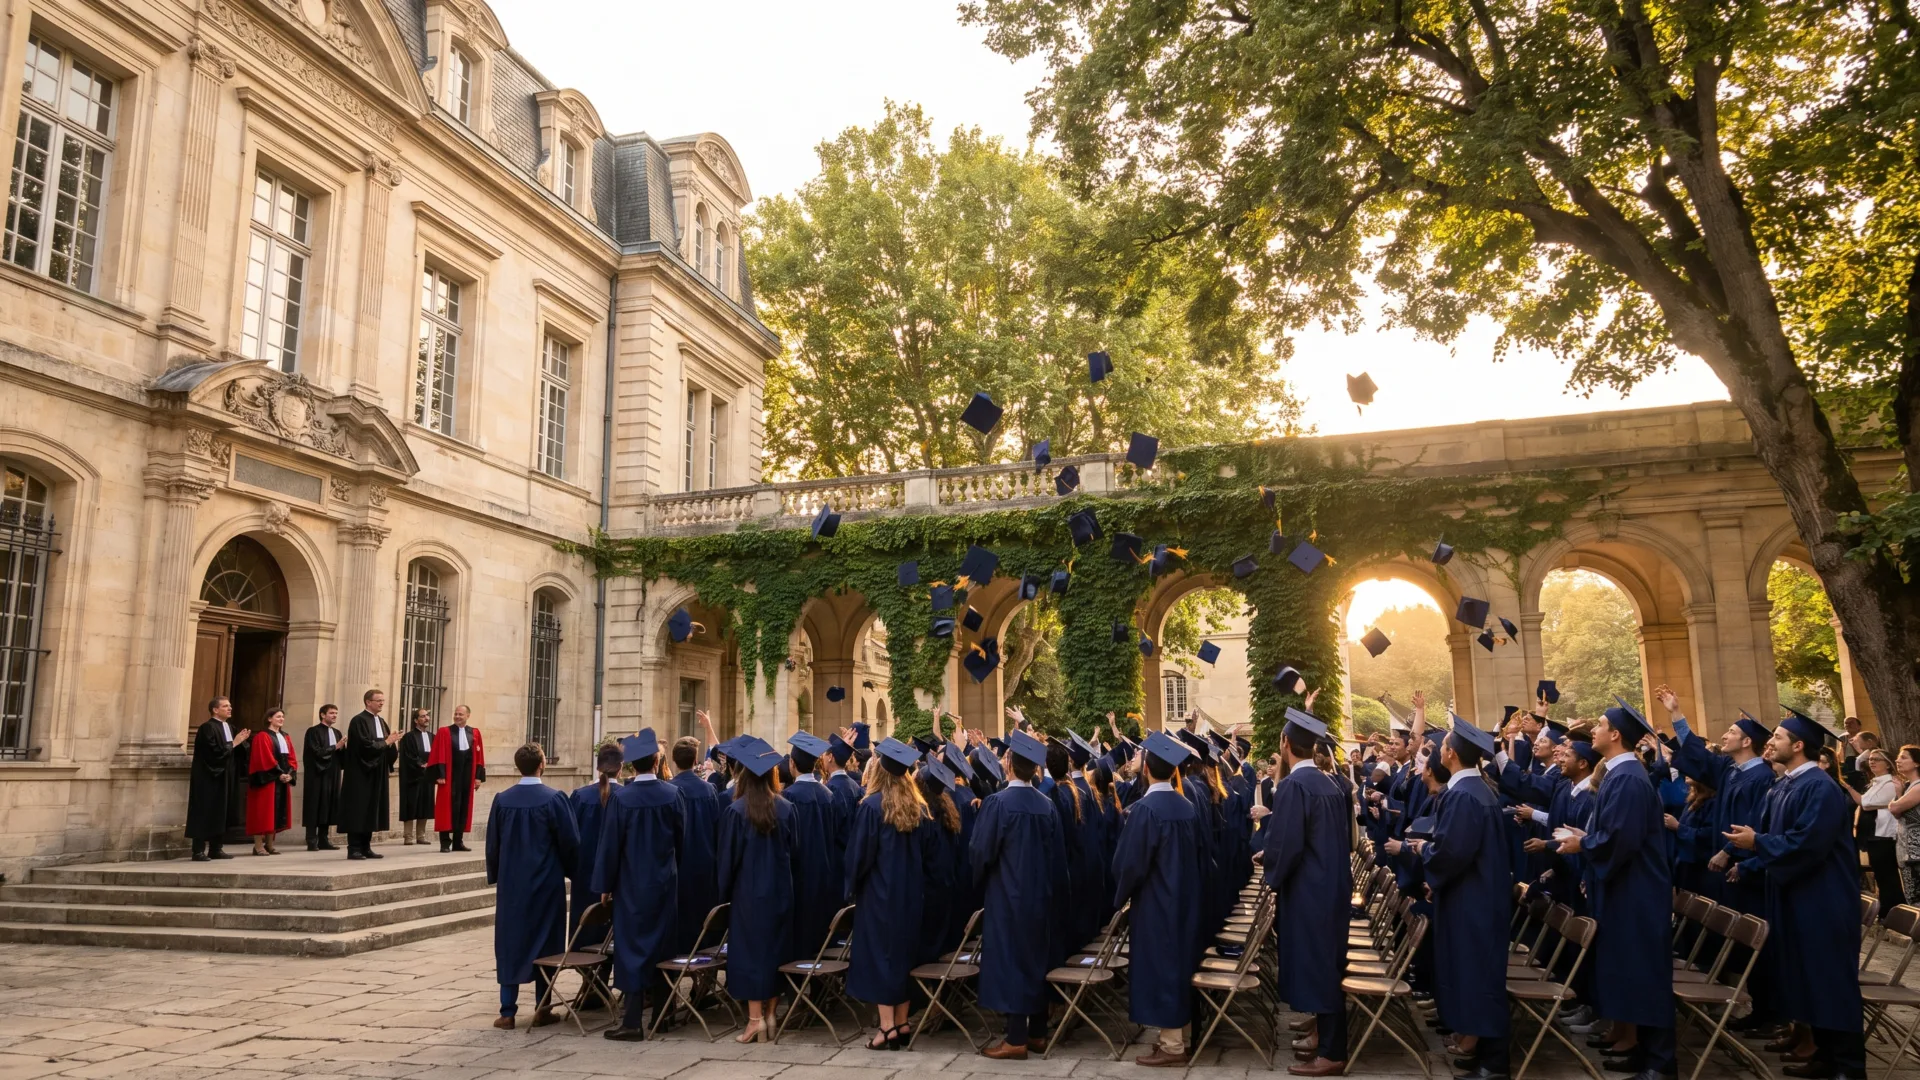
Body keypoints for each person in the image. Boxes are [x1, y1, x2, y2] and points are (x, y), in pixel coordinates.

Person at [1727, 709, 1867, 1080]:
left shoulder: (1820, 787)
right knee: (1808, 980)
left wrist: (1757, 841)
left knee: (1830, 980)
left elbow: (1807, 843)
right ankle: (1823, 1056)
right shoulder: (1788, 784)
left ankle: (1849, 1068)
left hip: (1823, 899)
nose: (1769, 742)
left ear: (1799, 745)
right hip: (1796, 895)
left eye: (1777, 737)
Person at [1556, 699, 1676, 1080]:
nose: (1593, 730)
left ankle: (1659, 1063)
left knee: (1645, 974)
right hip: (1627, 888)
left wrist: (1585, 845)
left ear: (1616, 735)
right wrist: (1588, 836)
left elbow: (1620, 839)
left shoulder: (1626, 778)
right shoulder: (1620, 775)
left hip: (1636, 892)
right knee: (1629, 972)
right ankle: (1640, 1050)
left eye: (1601, 724)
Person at [1390, 715, 1510, 1080]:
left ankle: (1493, 1063)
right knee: (1475, 974)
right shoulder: (1478, 791)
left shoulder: (1463, 796)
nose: (1438, 752)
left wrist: (1424, 855)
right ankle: (1483, 1053)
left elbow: (1451, 852)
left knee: (1479, 977)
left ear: (1452, 755)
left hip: (1472, 901)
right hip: (1476, 896)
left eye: (1442, 747)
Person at [1263, 709, 1353, 1076]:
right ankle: (1324, 1039)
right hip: (1331, 885)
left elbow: (1287, 844)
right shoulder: (1331, 784)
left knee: (1320, 966)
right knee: (1327, 961)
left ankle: (1332, 1052)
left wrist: (1271, 872)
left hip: (1308, 890)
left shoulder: (1294, 787)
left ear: (1285, 744)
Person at [1110, 729, 1207, 1068]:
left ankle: (1172, 1046)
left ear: (1147, 769)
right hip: (1186, 900)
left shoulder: (1146, 810)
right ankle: (1176, 1035)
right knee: (1179, 964)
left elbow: (1130, 864)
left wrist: (1120, 896)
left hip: (1156, 902)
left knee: (1163, 968)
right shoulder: (1187, 807)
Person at [972, 729, 1069, 1060]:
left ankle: (1015, 1038)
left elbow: (981, 853)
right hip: (1040, 896)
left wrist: (981, 882)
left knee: (1012, 961)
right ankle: (1038, 1032)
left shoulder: (998, 804)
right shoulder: (1046, 805)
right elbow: (1058, 858)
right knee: (1035, 959)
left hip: (1006, 896)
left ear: (1009, 764)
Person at [846, 737, 941, 1050]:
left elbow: (859, 856)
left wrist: (851, 887)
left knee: (880, 958)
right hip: (912, 896)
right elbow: (931, 859)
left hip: (879, 896)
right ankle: (902, 1022)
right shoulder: (921, 807)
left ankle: (886, 1027)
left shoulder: (873, 807)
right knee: (903, 957)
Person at [594, 730, 685, 1040]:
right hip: (664, 883)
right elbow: (682, 841)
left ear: (630, 765)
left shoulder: (621, 799)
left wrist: (605, 884)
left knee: (632, 949)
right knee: (663, 945)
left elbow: (610, 846)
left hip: (631, 885)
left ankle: (632, 1021)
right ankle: (663, 1014)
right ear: (658, 761)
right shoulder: (673, 795)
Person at [485, 741, 579, 1029]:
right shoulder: (554, 799)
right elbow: (571, 842)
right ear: (543, 764)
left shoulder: (502, 800)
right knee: (546, 943)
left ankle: (507, 1010)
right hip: (546, 882)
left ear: (517, 766)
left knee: (511, 942)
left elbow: (493, 844)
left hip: (513, 885)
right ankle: (543, 1007)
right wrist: (572, 871)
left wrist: (498, 875)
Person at [718, 740, 798, 1043]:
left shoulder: (736, 811)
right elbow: (797, 852)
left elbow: (728, 859)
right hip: (781, 892)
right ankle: (771, 1015)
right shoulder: (787, 809)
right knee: (776, 951)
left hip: (748, 896)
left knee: (751, 954)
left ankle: (754, 1021)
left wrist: (723, 891)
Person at [783, 732, 846, 958]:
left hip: (798, 875)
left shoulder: (788, 797)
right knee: (821, 930)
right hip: (825, 873)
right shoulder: (828, 795)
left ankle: (796, 983)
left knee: (799, 932)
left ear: (792, 763)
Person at [667, 731, 722, 957]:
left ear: (674, 760)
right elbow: (717, 827)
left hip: (677, 867)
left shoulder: (668, 790)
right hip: (704, 865)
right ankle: (704, 982)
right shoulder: (709, 790)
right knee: (704, 924)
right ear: (695, 760)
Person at [568, 743, 624, 949]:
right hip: (616, 876)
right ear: (621, 767)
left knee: (586, 929)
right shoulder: (626, 796)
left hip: (585, 874)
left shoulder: (581, 796)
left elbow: (570, 837)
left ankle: (589, 976)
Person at [185, 696, 251, 861]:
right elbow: (212, 753)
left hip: (226, 776)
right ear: (215, 709)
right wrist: (235, 743)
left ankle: (216, 848)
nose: (230, 708)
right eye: (225, 706)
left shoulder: (230, 727)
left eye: (229, 706)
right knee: (204, 810)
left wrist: (243, 742)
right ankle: (198, 850)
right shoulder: (207, 728)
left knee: (222, 812)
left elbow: (237, 753)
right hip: (209, 777)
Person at [339, 689, 400, 860]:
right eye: (378, 700)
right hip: (360, 773)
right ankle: (354, 848)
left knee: (372, 808)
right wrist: (387, 742)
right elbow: (363, 746)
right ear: (368, 702)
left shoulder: (380, 721)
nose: (381, 703)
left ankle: (366, 846)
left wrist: (391, 743)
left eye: (383, 700)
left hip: (377, 772)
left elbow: (385, 744)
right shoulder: (358, 721)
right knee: (359, 809)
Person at [429, 704, 486, 852]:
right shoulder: (444, 732)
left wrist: (478, 777)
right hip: (449, 777)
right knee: (446, 808)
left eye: (461, 714)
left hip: (466, 776)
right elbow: (438, 753)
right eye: (456, 714)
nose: (457, 716)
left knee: (463, 807)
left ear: (468, 716)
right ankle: (445, 843)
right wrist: (440, 775)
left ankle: (458, 842)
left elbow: (479, 757)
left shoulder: (474, 733)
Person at [245, 708, 297, 855]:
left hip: (280, 780)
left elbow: (292, 757)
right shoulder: (262, 736)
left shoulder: (285, 736)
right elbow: (265, 759)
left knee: (275, 812)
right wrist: (279, 773)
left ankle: (269, 844)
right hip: (266, 780)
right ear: (269, 718)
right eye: (278, 716)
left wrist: (290, 773)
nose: (281, 719)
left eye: (282, 717)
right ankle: (258, 845)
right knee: (262, 812)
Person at [1858, 748, 1904, 913]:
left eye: (1877, 759)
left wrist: (1847, 787)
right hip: (1874, 833)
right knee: (1880, 875)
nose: (1872, 762)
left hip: (1884, 834)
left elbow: (1866, 803)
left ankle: (1893, 910)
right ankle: (1885, 909)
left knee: (1887, 876)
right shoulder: (1875, 782)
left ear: (1888, 764)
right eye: (1870, 759)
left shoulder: (1891, 782)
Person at [302, 704, 345, 851]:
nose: (334, 716)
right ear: (322, 715)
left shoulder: (337, 732)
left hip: (333, 773)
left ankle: (323, 839)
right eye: (331, 713)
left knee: (328, 805)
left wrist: (345, 748)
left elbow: (341, 755)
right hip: (317, 774)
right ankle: (311, 839)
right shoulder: (313, 731)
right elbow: (315, 752)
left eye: (336, 713)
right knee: (315, 805)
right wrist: (335, 747)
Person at [398, 708, 437, 845]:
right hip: (412, 777)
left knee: (424, 805)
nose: (426, 718)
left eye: (427, 716)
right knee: (411, 805)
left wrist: (431, 766)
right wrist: (421, 764)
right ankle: (408, 836)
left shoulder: (433, 736)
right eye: (423, 716)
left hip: (427, 777)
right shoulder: (409, 737)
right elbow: (408, 756)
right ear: (416, 720)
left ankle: (421, 835)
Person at [1889, 746, 1920, 902]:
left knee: (1916, 898)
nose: (1897, 760)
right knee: (1912, 898)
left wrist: (1898, 796)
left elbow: (1894, 807)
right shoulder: (1908, 786)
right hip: (1907, 852)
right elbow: (1897, 813)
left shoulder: (1918, 786)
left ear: (1916, 763)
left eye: (1903, 757)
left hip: (1917, 853)